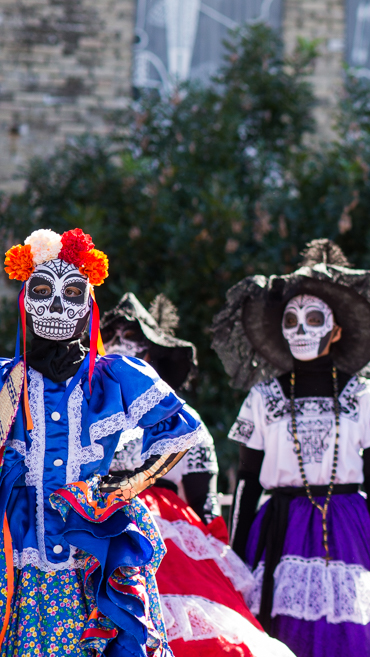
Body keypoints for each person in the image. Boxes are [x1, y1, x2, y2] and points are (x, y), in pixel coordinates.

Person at [213, 239, 370, 657]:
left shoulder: (365, 396)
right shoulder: (261, 399)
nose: (301, 330)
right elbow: (248, 480)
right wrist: (235, 552)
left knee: (353, 633)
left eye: (314, 319)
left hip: (350, 528)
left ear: (337, 331)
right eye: (291, 320)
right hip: (277, 530)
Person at [1, 227, 200, 656]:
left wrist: (132, 485)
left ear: (87, 306)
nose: (55, 305)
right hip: (18, 545)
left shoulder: (116, 376)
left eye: (71, 293)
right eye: (41, 291)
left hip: (92, 544)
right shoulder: (4, 380)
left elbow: (182, 430)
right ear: (26, 302)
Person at [102, 292, 296, 657]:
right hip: (96, 521)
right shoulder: (86, 410)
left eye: (131, 338)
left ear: (152, 353)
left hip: (163, 531)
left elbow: (204, 503)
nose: (118, 346)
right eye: (110, 338)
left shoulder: (177, 416)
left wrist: (216, 551)